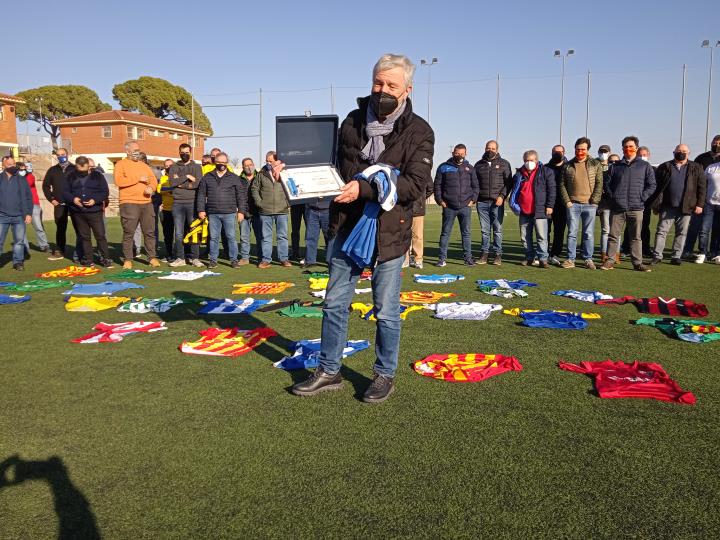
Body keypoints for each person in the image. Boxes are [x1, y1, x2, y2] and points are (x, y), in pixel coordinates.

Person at [291, 53, 434, 403]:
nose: (383, 90)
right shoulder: (352, 121)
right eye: (378, 82)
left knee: (385, 309)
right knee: (334, 302)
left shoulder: (420, 130)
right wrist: (294, 169)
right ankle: (329, 370)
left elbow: (417, 185)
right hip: (346, 225)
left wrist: (367, 188)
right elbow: (331, 167)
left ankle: (384, 375)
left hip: (388, 231)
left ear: (407, 89)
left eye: (391, 85)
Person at [600, 136, 656, 272]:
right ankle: (610, 260)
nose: (628, 149)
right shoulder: (615, 166)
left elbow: (652, 185)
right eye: (625, 147)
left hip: (636, 207)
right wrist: (613, 197)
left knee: (636, 237)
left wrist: (642, 197)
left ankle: (637, 263)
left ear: (636, 148)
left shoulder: (645, 166)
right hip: (618, 208)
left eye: (631, 146)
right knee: (613, 236)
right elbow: (606, 184)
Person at [649, 144, 705, 266]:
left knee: (682, 232)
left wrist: (700, 204)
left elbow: (702, 187)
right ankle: (657, 255)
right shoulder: (665, 166)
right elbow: (657, 187)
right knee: (661, 231)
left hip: (686, 206)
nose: (681, 153)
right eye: (679, 151)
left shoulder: (696, 167)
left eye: (684, 151)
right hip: (667, 206)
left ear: (688, 153)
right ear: (673, 152)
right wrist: (656, 204)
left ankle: (676, 256)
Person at [559, 137, 604, 269]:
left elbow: (599, 183)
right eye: (578, 149)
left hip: (589, 205)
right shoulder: (567, 165)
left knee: (588, 233)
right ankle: (570, 259)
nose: (580, 152)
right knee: (572, 233)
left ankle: (588, 259)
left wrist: (595, 201)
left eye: (583, 149)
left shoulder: (595, 164)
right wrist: (567, 201)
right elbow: (562, 184)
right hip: (573, 204)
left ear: (588, 150)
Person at [114, 141, 160, 269]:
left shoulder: (144, 165)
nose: (137, 152)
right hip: (129, 203)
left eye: (138, 150)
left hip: (146, 203)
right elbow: (118, 181)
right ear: (127, 151)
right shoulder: (120, 164)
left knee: (149, 232)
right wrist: (138, 179)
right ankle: (128, 259)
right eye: (135, 150)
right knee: (129, 232)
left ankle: (152, 257)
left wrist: (151, 188)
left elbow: (153, 180)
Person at [196, 152, 247, 268]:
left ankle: (234, 260)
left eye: (224, 162)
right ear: (215, 162)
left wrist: (241, 212)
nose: (222, 165)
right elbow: (201, 194)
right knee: (214, 238)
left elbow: (240, 196)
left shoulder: (234, 178)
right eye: (219, 162)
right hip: (213, 213)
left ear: (227, 163)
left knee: (231, 237)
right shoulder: (207, 177)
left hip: (229, 213)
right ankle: (213, 260)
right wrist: (201, 209)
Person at [62, 156, 112, 268]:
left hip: (95, 211)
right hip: (78, 212)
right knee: (84, 237)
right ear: (76, 166)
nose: (82, 173)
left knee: (100, 235)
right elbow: (65, 192)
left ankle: (105, 258)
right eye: (80, 171)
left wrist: (95, 200)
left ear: (88, 166)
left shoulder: (98, 176)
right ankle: (89, 260)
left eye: (84, 170)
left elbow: (105, 192)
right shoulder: (70, 176)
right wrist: (73, 199)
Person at [434, 143, 478, 267]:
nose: (460, 156)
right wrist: (440, 201)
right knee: (445, 233)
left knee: (466, 233)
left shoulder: (470, 168)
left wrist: (472, 200)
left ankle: (468, 258)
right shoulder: (443, 167)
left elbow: (476, 186)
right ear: (453, 153)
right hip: (449, 207)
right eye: (457, 153)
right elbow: (437, 185)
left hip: (465, 207)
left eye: (462, 154)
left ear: (466, 153)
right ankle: (442, 259)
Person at [509, 150, 555, 267]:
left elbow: (552, 190)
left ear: (536, 160)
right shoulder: (519, 174)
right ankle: (529, 257)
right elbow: (514, 191)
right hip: (524, 211)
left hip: (540, 211)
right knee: (525, 237)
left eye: (531, 160)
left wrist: (550, 205)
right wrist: (514, 205)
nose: (528, 162)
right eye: (526, 160)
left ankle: (543, 259)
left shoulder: (546, 171)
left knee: (542, 236)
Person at [473, 139, 513, 265]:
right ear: (485, 149)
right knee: (485, 231)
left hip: (497, 203)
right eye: (488, 148)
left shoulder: (504, 164)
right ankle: (484, 254)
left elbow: (509, 183)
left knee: (497, 229)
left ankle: (497, 255)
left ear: (497, 150)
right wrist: (475, 197)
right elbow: (474, 183)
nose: (490, 150)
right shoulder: (478, 164)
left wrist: (502, 196)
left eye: (493, 148)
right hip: (482, 202)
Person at [251, 151, 290, 268]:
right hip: (265, 211)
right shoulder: (261, 173)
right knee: (266, 237)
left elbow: (291, 187)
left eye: (270, 161)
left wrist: (287, 203)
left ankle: (284, 259)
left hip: (282, 210)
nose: (268, 163)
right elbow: (254, 189)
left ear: (277, 161)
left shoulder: (285, 173)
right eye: (267, 161)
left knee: (282, 236)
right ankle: (266, 260)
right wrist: (259, 203)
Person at [168, 144, 204, 267]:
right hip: (177, 203)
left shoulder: (197, 167)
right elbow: (172, 182)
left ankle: (195, 258)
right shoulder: (173, 167)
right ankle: (180, 258)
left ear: (191, 152)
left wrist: (181, 183)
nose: (184, 154)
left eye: (187, 152)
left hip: (192, 202)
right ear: (179, 152)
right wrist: (187, 177)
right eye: (182, 152)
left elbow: (198, 183)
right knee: (178, 233)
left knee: (194, 231)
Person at [685, 134, 720, 260]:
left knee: (716, 229)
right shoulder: (702, 158)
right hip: (704, 200)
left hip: (717, 202)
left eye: (719, 143)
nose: (717, 145)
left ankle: (714, 252)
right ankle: (689, 250)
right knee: (697, 227)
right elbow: (695, 178)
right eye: (715, 142)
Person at [42, 147, 75, 260]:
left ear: (68, 154)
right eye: (58, 155)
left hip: (74, 204)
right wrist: (51, 199)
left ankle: (82, 252)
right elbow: (45, 186)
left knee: (80, 227)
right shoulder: (52, 170)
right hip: (59, 204)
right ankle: (60, 250)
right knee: (60, 228)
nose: (61, 156)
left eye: (63, 154)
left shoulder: (75, 169)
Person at [0, 156, 33, 270]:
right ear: (3, 165)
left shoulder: (21, 179)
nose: (12, 166)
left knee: (19, 241)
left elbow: (28, 197)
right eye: (9, 165)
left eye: (13, 164)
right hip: (2, 216)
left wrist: (28, 213)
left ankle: (18, 262)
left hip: (19, 216)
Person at [404, 161, 433, 269]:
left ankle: (418, 259)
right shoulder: (403, 168)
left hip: (418, 209)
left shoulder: (425, 171)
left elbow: (430, 188)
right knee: (404, 235)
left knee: (417, 236)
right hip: (404, 209)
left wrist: (421, 199)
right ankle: (405, 259)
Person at [18, 162, 50, 257]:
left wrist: (24, 174)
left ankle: (44, 245)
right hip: (19, 206)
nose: (23, 171)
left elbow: (26, 184)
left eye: (24, 169)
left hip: (33, 204)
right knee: (20, 228)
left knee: (38, 226)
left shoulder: (30, 176)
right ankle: (24, 248)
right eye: (21, 169)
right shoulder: (14, 178)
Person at [546, 145, 567, 266]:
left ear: (564, 153)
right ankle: (544, 252)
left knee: (559, 231)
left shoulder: (568, 167)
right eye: (555, 152)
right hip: (548, 204)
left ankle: (556, 253)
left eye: (560, 152)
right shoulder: (546, 168)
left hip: (562, 205)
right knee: (546, 230)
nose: (557, 154)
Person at [238, 157, 262, 265]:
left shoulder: (260, 177)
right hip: (244, 212)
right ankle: (245, 258)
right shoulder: (238, 179)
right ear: (243, 167)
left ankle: (261, 257)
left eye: (250, 164)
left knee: (260, 236)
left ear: (254, 165)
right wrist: (239, 210)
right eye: (246, 165)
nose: (249, 167)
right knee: (244, 237)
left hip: (258, 212)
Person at [698, 155, 720, 264]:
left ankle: (717, 254)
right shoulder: (711, 167)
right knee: (704, 229)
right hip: (709, 204)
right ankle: (702, 253)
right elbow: (702, 184)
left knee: (718, 231)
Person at [596, 144, 613, 261]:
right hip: (595, 200)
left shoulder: (613, 166)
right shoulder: (593, 164)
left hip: (608, 202)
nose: (603, 154)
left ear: (609, 153)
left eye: (605, 152)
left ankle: (612, 253)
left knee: (609, 229)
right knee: (603, 229)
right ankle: (603, 252)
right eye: (601, 152)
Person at [303, 197, 331, 269]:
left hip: (327, 210)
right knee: (310, 237)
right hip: (311, 210)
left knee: (329, 237)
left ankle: (330, 261)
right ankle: (310, 261)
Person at [157, 158, 176, 262]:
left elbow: (178, 189)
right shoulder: (163, 178)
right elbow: (159, 189)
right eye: (166, 165)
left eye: (170, 165)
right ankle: (169, 254)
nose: (168, 167)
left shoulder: (178, 177)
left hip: (177, 210)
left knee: (179, 234)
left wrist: (168, 190)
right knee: (167, 235)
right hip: (166, 210)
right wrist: (171, 190)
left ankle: (181, 254)